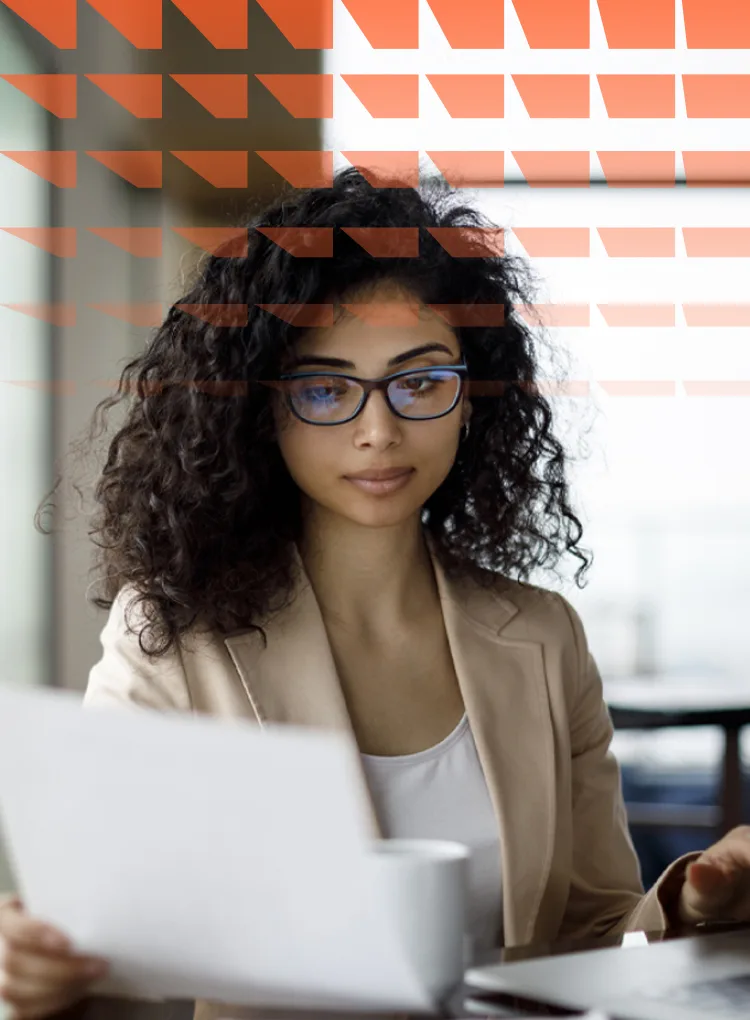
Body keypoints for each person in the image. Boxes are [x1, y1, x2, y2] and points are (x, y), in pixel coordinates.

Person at [2, 168, 749, 1020]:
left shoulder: (543, 637)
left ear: (474, 397)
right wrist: (41, 973)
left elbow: (588, 935)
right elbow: (116, 957)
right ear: (259, 410)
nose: (379, 430)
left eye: (420, 381)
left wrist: (689, 904)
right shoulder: (172, 637)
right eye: (324, 389)